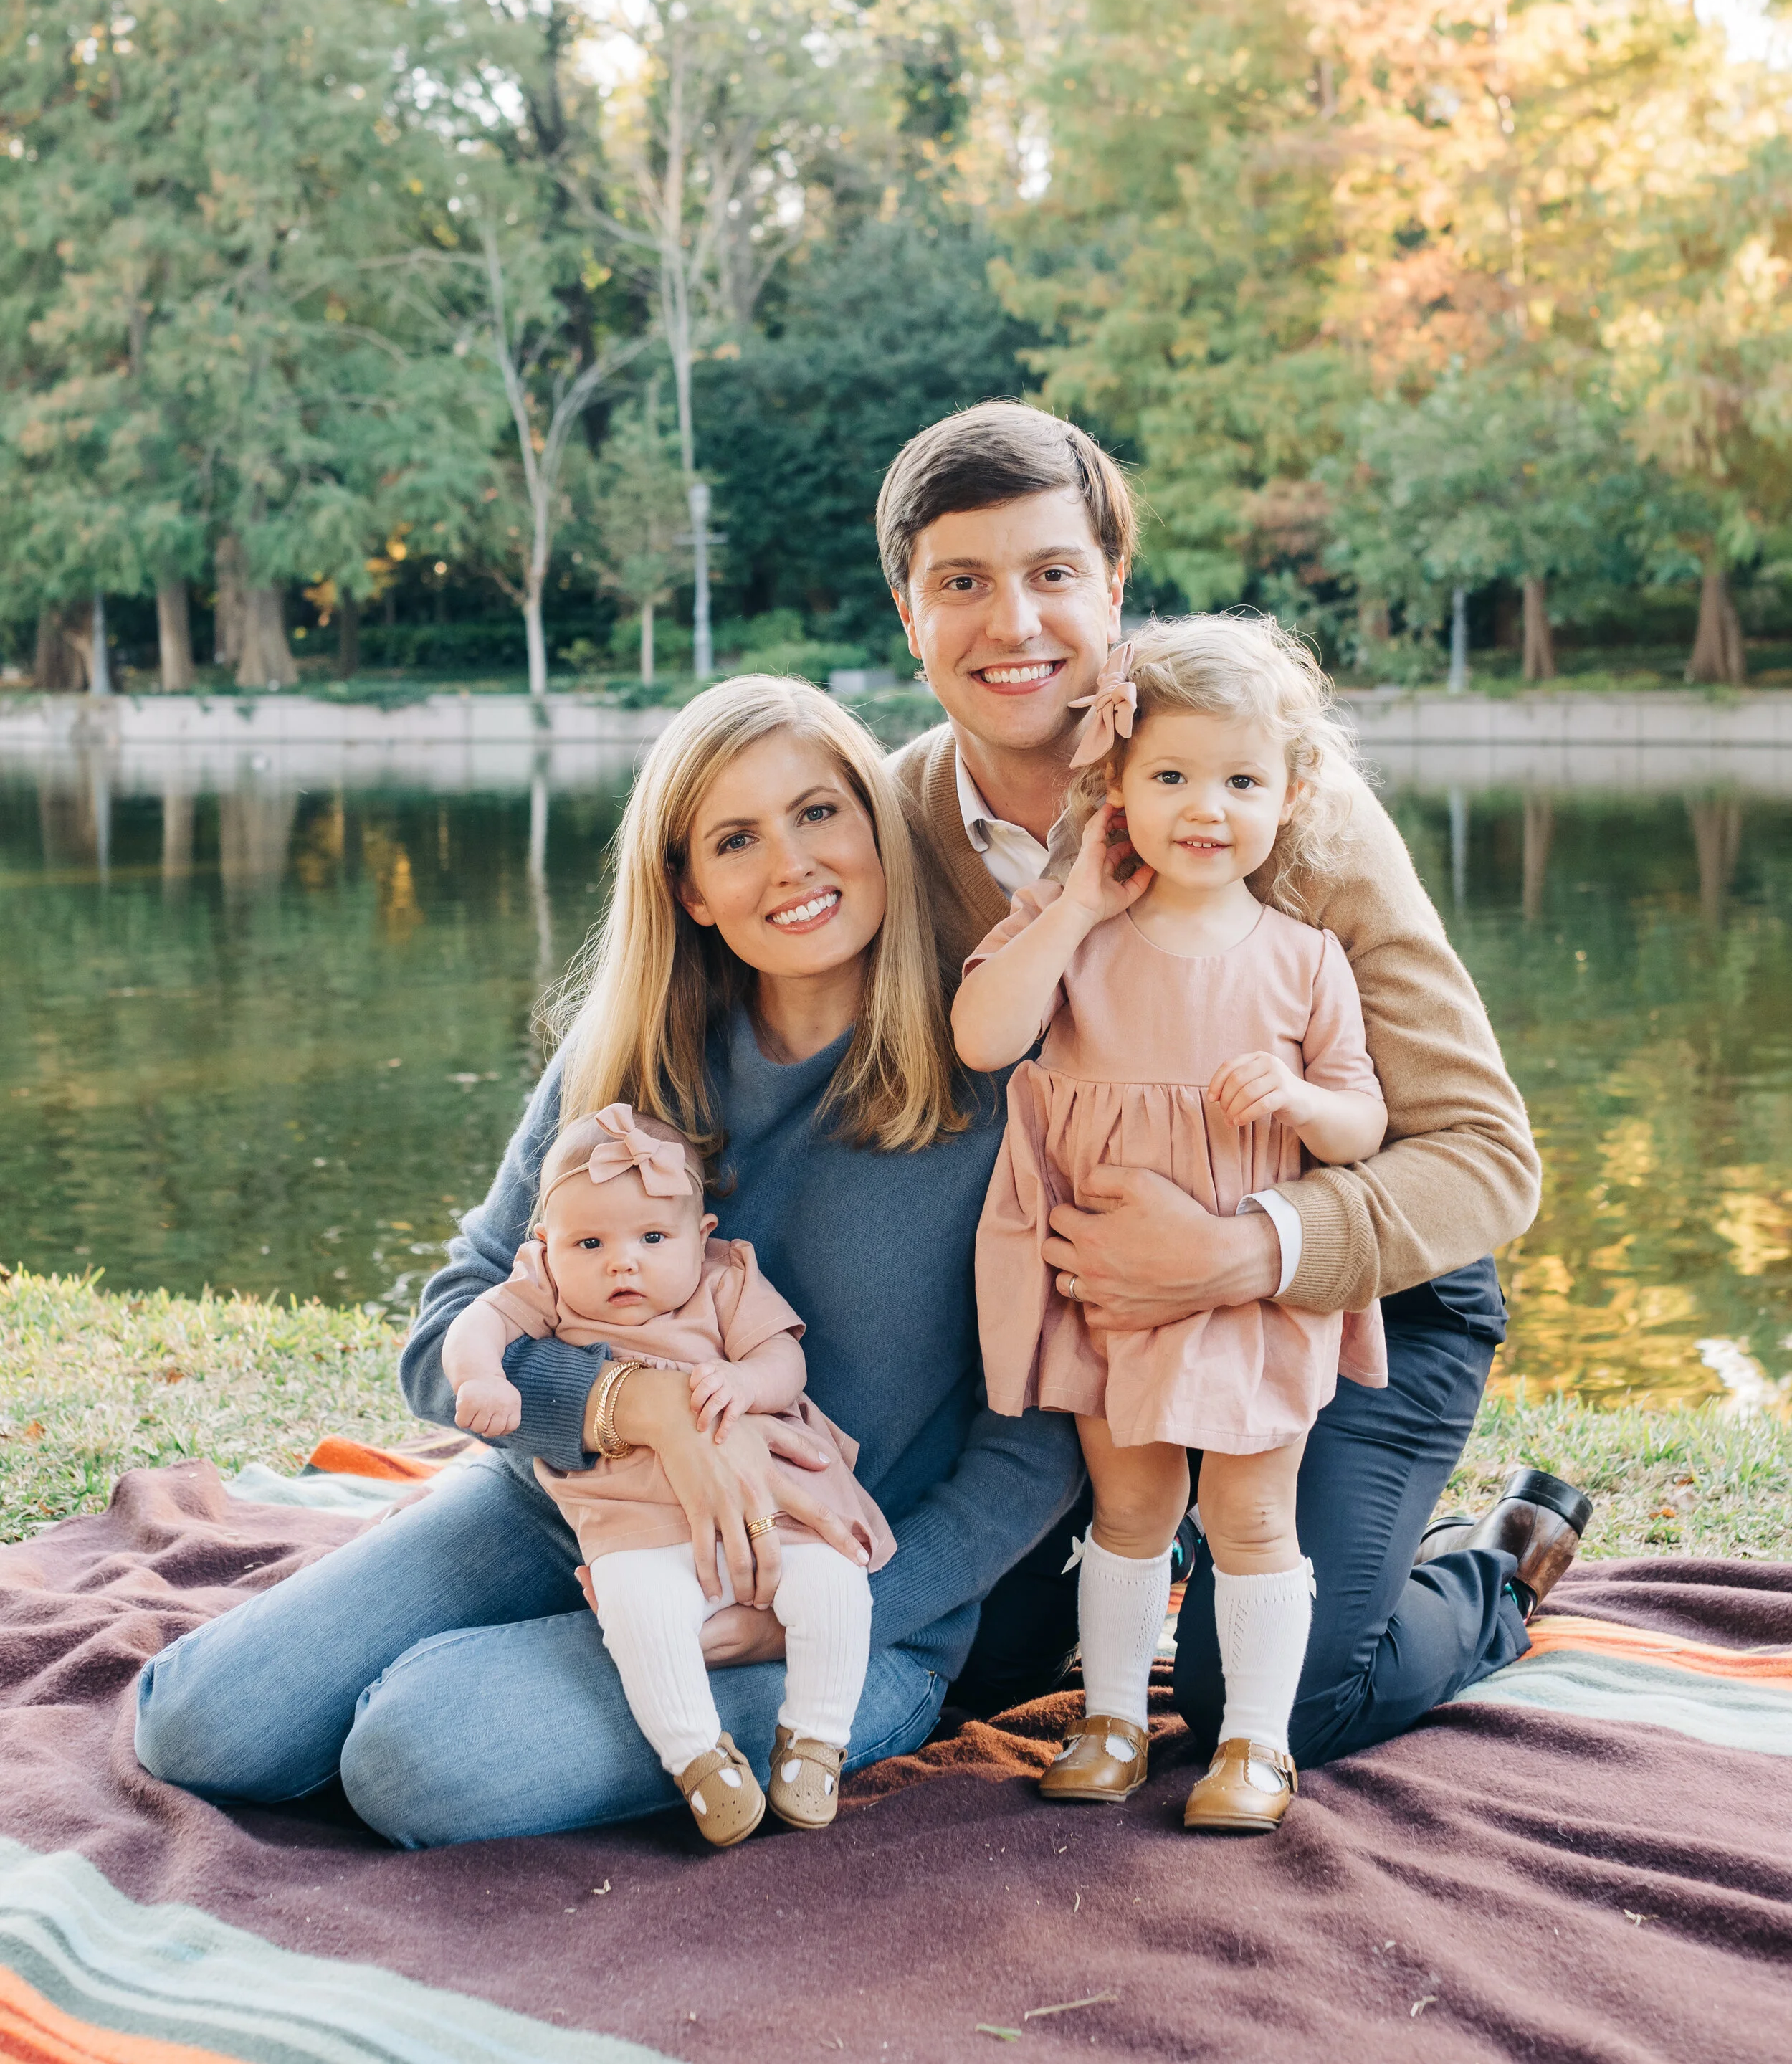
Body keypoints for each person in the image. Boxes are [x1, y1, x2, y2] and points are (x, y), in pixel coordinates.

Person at [134, 679, 1082, 1846]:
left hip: (821, 1591)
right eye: (736, 838)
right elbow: (448, 1334)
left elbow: (1040, 1444)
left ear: (880, 826)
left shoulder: (998, 1079)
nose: (792, 863)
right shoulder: (630, 1055)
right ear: (689, 885)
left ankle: (504, 1686)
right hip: (569, 1511)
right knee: (201, 1725)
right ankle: (476, 1645)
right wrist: (634, 1405)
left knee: (414, 1755)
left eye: (820, 812)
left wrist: (836, 1611)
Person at [880, 400, 1589, 1764]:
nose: (1013, 623)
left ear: (1112, 590)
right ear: (908, 612)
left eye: (1052, 574)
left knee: (1272, 1700)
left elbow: (1490, 1157)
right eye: (961, 582)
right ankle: (1174, 1535)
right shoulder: (900, 819)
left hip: (1350, 1294)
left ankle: (1495, 1562)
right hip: (1095, 1315)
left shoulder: (1270, 805)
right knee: (988, 1652)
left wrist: (1242, 1252)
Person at [956, 619, 1390, 1832]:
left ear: (1291, 792)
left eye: (1242, 780)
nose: (1207, 807)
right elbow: (984, 1035)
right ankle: (1108, 1715)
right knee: (1129, 1505)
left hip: (1252, 1284)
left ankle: (1254, 1741)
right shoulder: (1077, 929)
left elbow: (1362, 1120)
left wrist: (1300, 1101)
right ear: (1117, 788)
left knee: (1252, 1512)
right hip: (1107, 1277)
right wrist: (1077, 898)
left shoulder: (1306, 959)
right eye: (1171, 776)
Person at [442, 1101, 894, 1844]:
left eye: (653, 1237)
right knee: (640, 1618)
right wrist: (483, 1377)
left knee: (835, 1585)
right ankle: (698, 1760)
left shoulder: (725, 1280)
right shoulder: (546, 1286)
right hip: (636, 1524)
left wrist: (748, 1386)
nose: (624, 1260)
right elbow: (474, 1322)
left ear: (700, 1235)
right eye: (589, 1242)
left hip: (769, 1511)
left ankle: (814, 1740)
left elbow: (784, 1358)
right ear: (546, 1246)